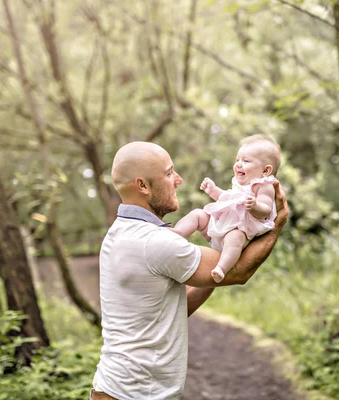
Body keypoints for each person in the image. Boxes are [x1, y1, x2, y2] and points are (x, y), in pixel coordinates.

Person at [90, 141, 288, 400]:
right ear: (143, 186)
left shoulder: (120, 232)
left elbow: (173, 310)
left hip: (118, 390)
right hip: (134, 394)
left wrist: (215, 255)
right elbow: (238, 272)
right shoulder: (155, 242)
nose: (178, 180)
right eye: (170, 173)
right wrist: (277, 223)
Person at [172, 135, 281, 283]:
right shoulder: (239, 184)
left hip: (238, 230)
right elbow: (227, 199)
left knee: (235, 237)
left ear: (266, 170)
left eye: (246, 161)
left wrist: (256, 206)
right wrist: (213, 190)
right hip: (217, 227)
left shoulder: (264, 185)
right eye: (237, 160)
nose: (238, 164)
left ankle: (221, 268)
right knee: (198, 214)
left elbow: (267, 208)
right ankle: (177, 233)